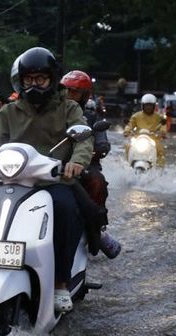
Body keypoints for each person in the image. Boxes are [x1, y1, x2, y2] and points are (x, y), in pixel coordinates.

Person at [0, 47, 93, 312]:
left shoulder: (69, 108)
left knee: (67, 212)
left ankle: (60, 283)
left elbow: (83, 140)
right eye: (28, 79)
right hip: (11, 181)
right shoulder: (9, 111)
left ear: (52, 79)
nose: (34, 84)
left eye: (40, 79)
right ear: (21, 81)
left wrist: (76, 163)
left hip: (52, 182)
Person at [59, 70, 121, 259]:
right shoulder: (53, 113)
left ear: (85, 95)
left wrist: (101, 146)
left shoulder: (91, 116)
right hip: (54, 163)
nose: (69, 96)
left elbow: (101, 139)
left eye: (75, 92)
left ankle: (97, 228)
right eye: (66, 91)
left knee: (97, 181)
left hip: (86, 164)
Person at [125, 93, 166, 166]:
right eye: (147, 105)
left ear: (154, 106)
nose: (148, 107)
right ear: (142, 105)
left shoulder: (159, 116)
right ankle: (127, 165)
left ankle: (160, 171)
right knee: (128, 146)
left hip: (153, 139)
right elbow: (130, 124)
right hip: (138, 138)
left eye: (150, 105)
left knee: (160, 150)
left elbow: (163, 125)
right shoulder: (136, 116)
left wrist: (162, 132)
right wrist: (127, 131)